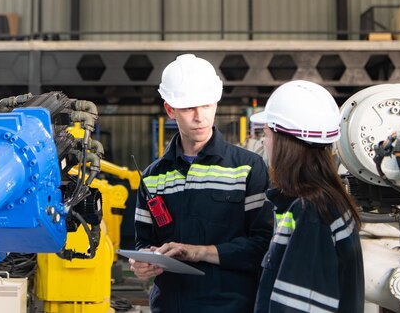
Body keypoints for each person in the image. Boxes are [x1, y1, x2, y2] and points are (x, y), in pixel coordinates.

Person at [131, 54, 273, 313]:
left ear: (216, 103)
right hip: (170, 306)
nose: (199, 117)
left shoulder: (247, 167)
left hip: (232, 305)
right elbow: (143, 242)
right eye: (188, 108)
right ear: (170, 110)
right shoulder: (152, 177)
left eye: (206, 106)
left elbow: (262, 246)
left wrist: (198, 252)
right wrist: (143, 263)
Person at [250, 80, 364, 313]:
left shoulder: (311, 213)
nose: (264, 141)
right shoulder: (327, 202)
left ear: (284, 144)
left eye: (267, 134)